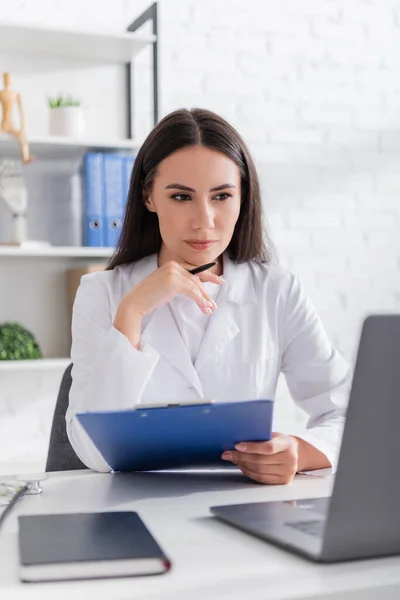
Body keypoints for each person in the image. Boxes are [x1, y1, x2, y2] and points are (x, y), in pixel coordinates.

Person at [67, 108, 351, 483]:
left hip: (246, 504)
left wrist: (299, 452)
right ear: (148, 197)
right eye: (182, 197)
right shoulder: (101, 295)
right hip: (134, 516)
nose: (205, 220)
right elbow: (93, 451)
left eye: (221, 196)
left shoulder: (277, 292)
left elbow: (346, 412)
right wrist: (132, 311)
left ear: (243, 197)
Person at [0, 72, 34, 164]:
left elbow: (21, 111)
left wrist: (23, 127)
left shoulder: (15, 94)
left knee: (22, 136)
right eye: (6, 78)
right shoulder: (1, 93)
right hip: (3, 123)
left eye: (9, 78)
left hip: (11, 124)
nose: (7, 81)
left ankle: (26, 157)